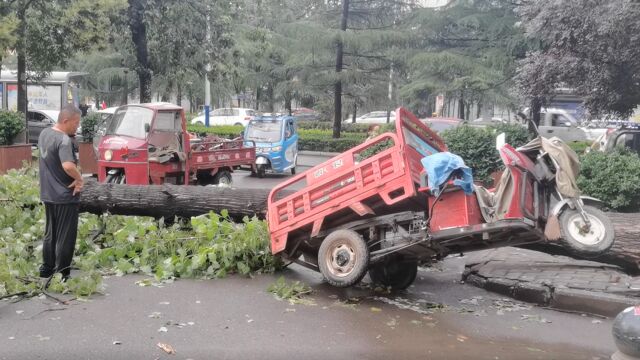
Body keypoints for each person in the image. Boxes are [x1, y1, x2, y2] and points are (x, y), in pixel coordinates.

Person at [38, 104, 84, 282]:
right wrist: (80, 179)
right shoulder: (64, 140)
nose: (77, 126)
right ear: (65, 121)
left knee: (51, 232)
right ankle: (62, 273)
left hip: (48, 193)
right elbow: (68, 165)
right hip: (65, 195)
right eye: (76, 122)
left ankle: (47, 268)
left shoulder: (44, 134)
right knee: (66, 236)